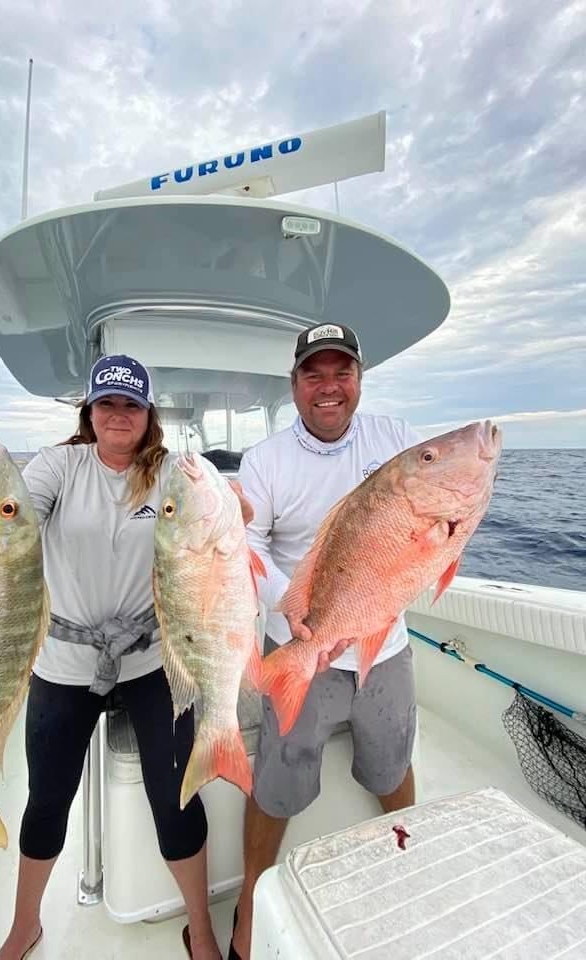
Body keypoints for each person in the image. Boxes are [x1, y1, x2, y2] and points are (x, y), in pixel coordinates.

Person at [0, 354, 222, 960]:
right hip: (66, 664)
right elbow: (19, 514)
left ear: (149, 416)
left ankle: (199, 925)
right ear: (89, 412)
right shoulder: (58, 465)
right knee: (46, 801)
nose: (118, 414)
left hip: (152, 660)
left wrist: (236, 507)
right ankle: (25, 926)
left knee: (176, 798)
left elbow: (216, 521)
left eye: (131, 405)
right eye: (107, 403)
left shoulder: (175, 474)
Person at [230, 323, 421, 960]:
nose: (329, 387)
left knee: (392, 766)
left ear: (360, 380)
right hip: (299, 647)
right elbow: (247, 546)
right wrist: (291, 601)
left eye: (342, 372)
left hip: (384, 646)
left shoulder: (396, 443)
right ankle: (250, 905)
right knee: (277, 784)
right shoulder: (266, 461)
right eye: (314, 374)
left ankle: (408, 862)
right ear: (294, 386)